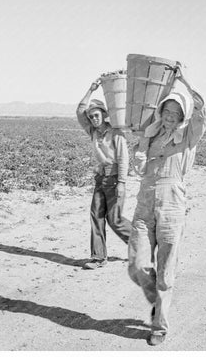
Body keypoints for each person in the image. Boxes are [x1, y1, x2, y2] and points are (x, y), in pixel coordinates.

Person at [127, 69, 206, 346]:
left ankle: (159, 325)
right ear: (161, 112)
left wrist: (183, 81)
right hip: (145, 202)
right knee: (136, 264)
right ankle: (156, 300)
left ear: (183, 115)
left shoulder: (188, 137)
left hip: (172, 205)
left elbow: (201, 109)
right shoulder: (149, 135)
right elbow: (136, 167)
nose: (170, 117)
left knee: (165, 271)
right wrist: (138, 144)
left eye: (176, 113)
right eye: (167, 111)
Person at [76, 78, 132, 270]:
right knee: (96, 216)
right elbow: (79, 112)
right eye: (91, 116)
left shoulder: (116, 133)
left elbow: (124, 159)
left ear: (104, 114)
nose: (93, 118)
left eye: (96, 115)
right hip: (100, 178)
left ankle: (142, 245)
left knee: (115, 220)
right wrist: (91, 90)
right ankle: (98, 257)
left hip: (114, 178)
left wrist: (122, 183)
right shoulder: (93, 132)